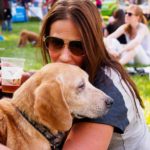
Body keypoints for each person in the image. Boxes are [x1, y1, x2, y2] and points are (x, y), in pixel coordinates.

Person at [0, 0, 150, 149]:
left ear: (94, 45)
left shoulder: (106, 93)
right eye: (56, 43)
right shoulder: (79, 71)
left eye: (78, 46)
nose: (64, 56)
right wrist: (31, 82)